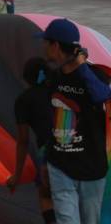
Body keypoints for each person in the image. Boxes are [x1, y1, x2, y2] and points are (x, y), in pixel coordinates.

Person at [40, 18, 111, 224]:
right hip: (60, 165)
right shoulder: (53, 77)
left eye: (46, 42)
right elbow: (50, 120)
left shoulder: (94, 74)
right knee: (66, 220)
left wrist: (82, 67)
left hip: (91, 167)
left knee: (91, 220)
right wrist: (46, 160)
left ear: (55, 46)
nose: (43, 46)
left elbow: (102, 96)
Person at [6, 57, 56, 224]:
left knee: (46, 194)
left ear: (26, 77)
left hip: (49, 151)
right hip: (75, 146)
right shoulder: (59, 90)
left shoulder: (24, 100)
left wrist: (17, 175)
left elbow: (23, 140)